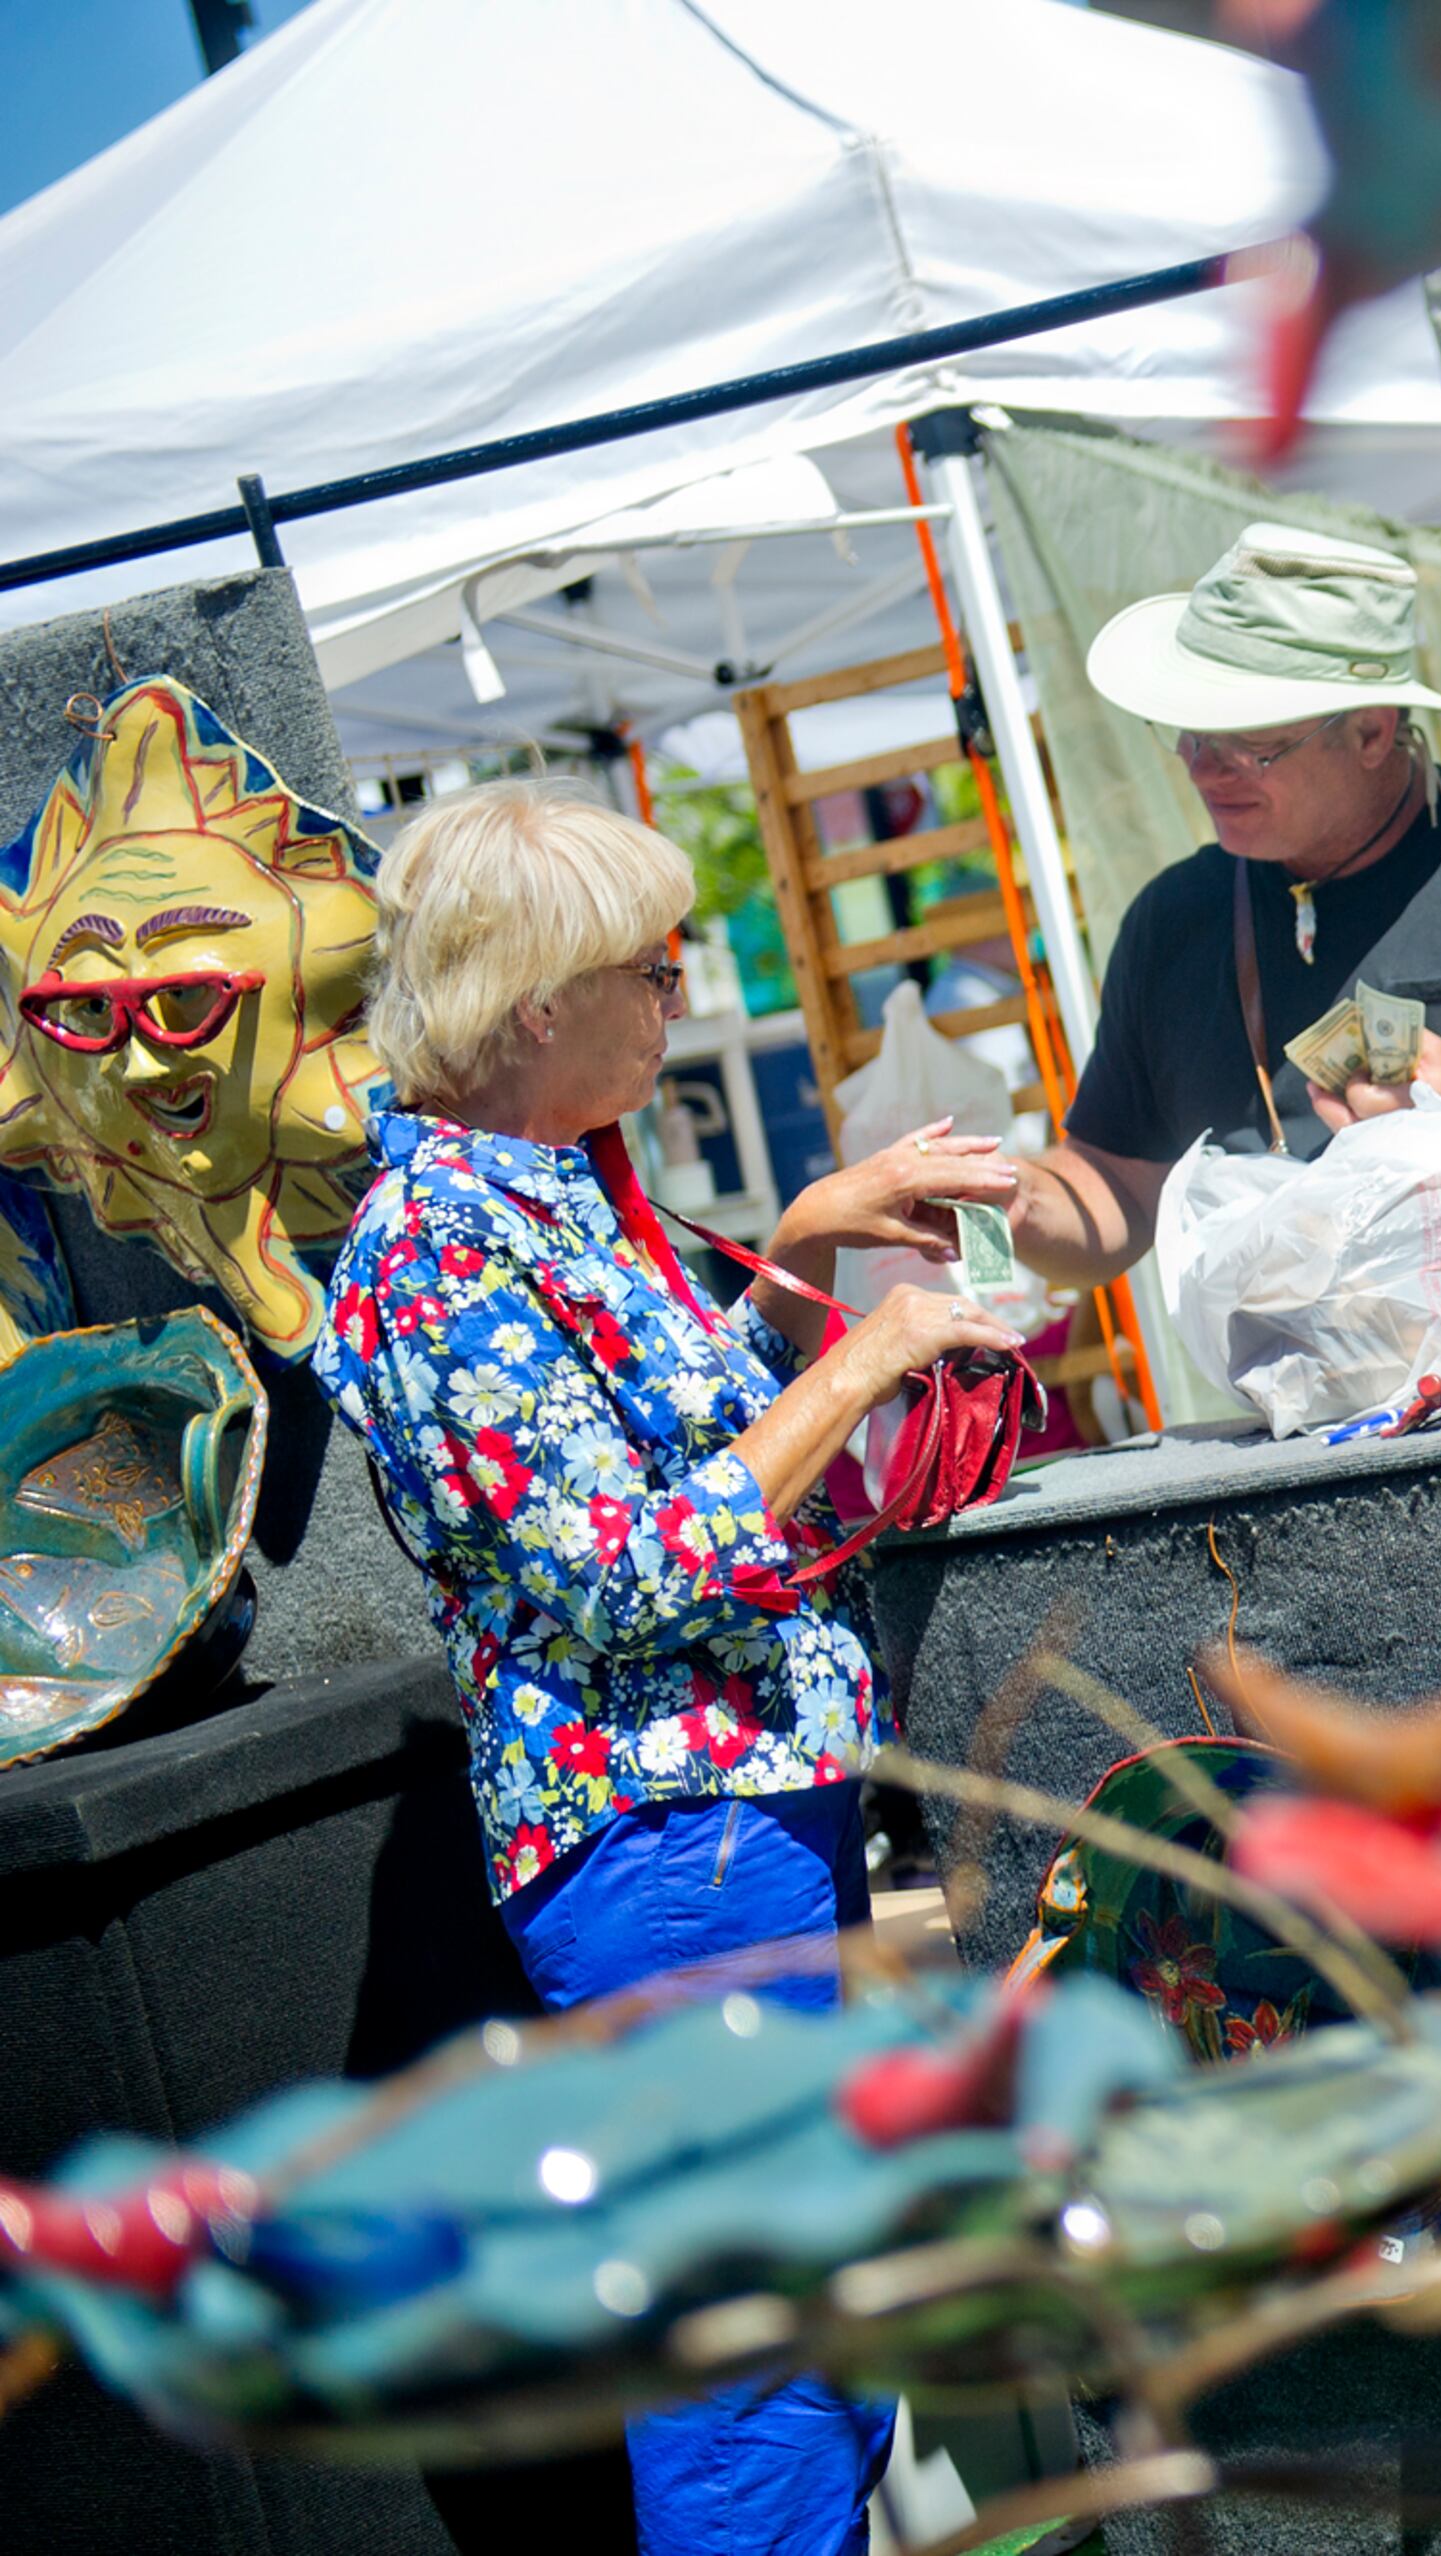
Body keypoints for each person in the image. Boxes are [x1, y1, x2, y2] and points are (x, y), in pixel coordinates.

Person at [314, 780, 1024, 2556]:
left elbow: (672, 1438)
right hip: (660, 1846)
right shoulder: (434, 1251)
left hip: (715, 1828)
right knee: (756, 2374)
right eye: (651, 961)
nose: (679, 987)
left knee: (805, 2348)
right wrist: (862, 1367)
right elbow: (624, 1570)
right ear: (537, 1000)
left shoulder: (522, 1196)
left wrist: (795, 1256)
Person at [999, 523, 1441, 1301]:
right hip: (1305, 1419)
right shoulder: (1170, 924)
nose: (1201, 766)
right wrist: (1016, 1204)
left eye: (1250, 743)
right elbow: (1120, 1186)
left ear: (1371, 731)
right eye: (1187, 730)